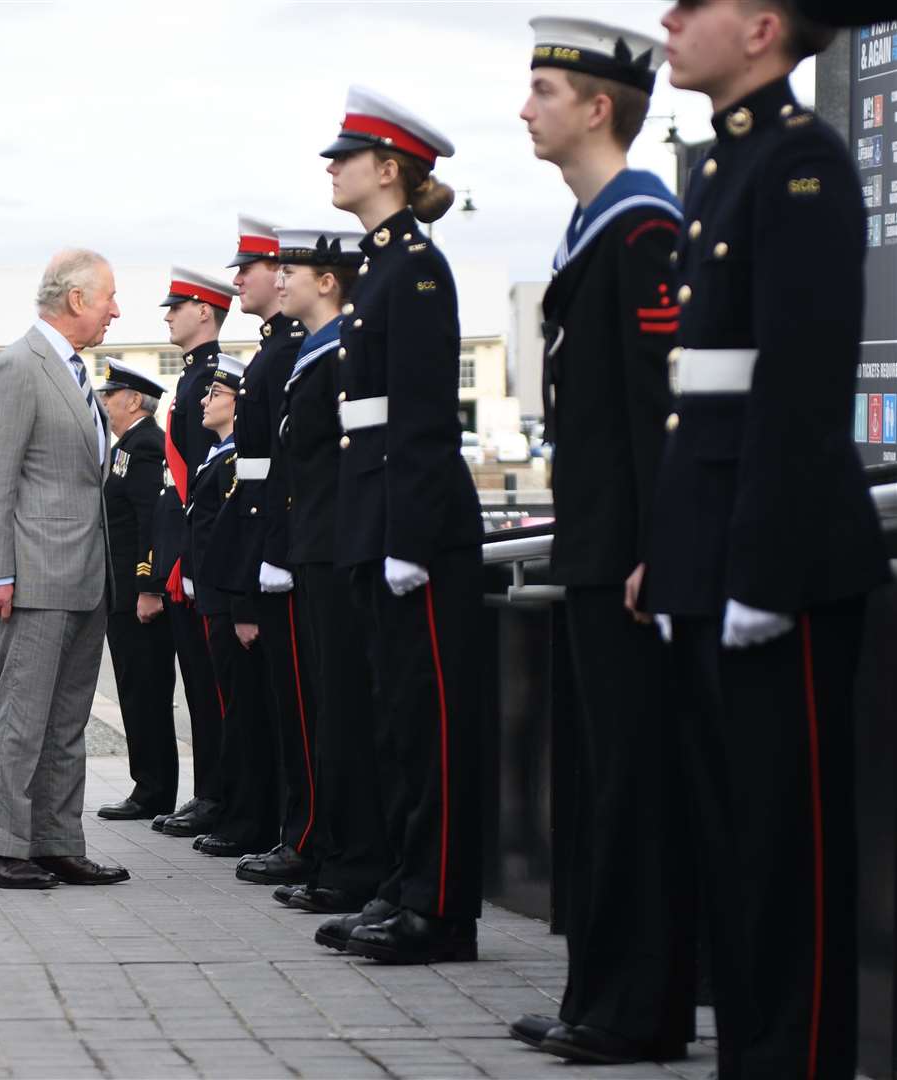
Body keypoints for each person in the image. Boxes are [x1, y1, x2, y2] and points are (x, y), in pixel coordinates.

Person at [641, 2, 889, 1075]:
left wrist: (763, 570)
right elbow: (698, 398)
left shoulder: (802, 163)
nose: (670, 18)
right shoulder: (718, 171)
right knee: (734, 847)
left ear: (762, 28)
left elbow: (798, 380)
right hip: (712, 550)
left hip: (773, 562)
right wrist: (675, 550)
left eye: (697, 5)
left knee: (788, 850)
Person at [507, 18, 694, 1066]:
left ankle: (640, 1009)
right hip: (592, 547)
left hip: (628, 561)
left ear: (597, 106)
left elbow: (660, 411)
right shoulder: (592, 231)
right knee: (600, 781)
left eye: (542, 88)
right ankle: (601, 993)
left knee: (636, 783)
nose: (525, 107)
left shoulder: (640, 227)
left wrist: (654, 547)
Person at [320, 86, 484, 966]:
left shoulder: (416, 267)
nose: (332, 168)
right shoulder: (379, 267)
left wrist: (408, 539)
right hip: (374, 514)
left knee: (432, 723)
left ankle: (441, 908)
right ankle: (403, 883)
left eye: (345, 157)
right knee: (395, 717)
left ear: (389, 169)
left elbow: (422, 414)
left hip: (411, 522)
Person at [0, 249, 128, 890]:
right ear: (79, 300)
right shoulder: (18, 367)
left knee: (67, 720)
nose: (117, 309)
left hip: (85, 574)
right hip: (33, 577)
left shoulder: (74, 371)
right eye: (110, 297)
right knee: (23, 717)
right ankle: (0, 849)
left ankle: (57, 841)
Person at [269, 227, 386, 920]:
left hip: (339, 548)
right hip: (312, 548)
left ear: (328, 281)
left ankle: (356, 863)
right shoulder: (308, 356)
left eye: (293, 269)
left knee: (346, 711)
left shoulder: (342, 352)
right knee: (325, 712)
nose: (279, 280)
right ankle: (338, 857)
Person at [209, 216, 319, 888]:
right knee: (279, 712)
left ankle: (298, 831)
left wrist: (250, 585)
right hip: (263, 558)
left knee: (297, 713)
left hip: (283, 558)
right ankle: (288, 826)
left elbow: (274, 483)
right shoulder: (274, 353)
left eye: (251, 268)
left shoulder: (286, 355)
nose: (241, 279)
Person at [148, 266, 236, 839]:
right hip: (187, 550)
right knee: (199, 688)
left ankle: (220, 795)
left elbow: (208, 482)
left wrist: (187, 559)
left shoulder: (212, 378)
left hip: (201, 551)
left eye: (177, 306)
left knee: (213, 688)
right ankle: (210, 792)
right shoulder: (190, 380)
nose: (168, 314)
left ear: (204, 311)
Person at [185, 351, 280, 860]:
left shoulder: (239, 460)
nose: (206, 399)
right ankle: (238, 811)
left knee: (243, 716)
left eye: (217, 394)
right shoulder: (216, 457)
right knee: (232, 712)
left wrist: (242, 605)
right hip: (216, 602)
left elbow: (246, 535)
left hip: (231, 603)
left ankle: (248, 819)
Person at [94, 360, 179, 821]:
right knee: (134, 688)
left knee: (145, 690)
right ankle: (148, 784)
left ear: (132, 400)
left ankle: (153, 789)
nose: (105, 402)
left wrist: (149, 588)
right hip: (122, 593)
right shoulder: (128, 444)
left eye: (111, 395)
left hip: (138, 596)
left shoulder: (145, 445)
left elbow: (152, 521)